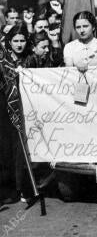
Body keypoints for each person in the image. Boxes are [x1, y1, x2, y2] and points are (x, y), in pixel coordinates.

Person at [0, 24, 31, 203]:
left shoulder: (29, 58)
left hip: (27, 109)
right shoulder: (3, 61)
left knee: (21, 149)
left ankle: (22, 188)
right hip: (6, 109)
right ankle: (9, 189)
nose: (19, 44)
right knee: (7, 149)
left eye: (22, 40)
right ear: (9, 42)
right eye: (15, 41)